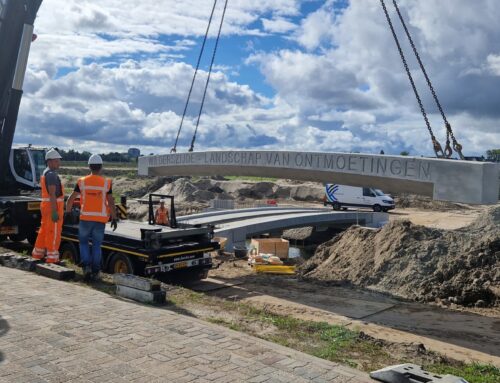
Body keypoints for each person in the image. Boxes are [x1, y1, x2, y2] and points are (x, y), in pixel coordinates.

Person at [65, 154, 118, 281]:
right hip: (100, 220)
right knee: (96, 245)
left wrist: (68, 212)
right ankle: (96, 270)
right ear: (101, 167)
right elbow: (111, 202)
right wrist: (114, 217)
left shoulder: (82, 181)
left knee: (83, 242)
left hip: (85, 219)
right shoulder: (106, 183)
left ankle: (86, 266)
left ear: (89, 166)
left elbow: (71, 199)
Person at [32, 149, 64, 263]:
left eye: (58, 161)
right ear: (49, 161)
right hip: (52, 208)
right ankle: (52, 258)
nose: (58, 163)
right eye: (56, 161)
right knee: (53, 232)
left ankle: (38, 254)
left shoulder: (46, 173)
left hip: (47, 206)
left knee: (44, 230)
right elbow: (52, 194)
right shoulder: (51, 174)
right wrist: (55, 211)